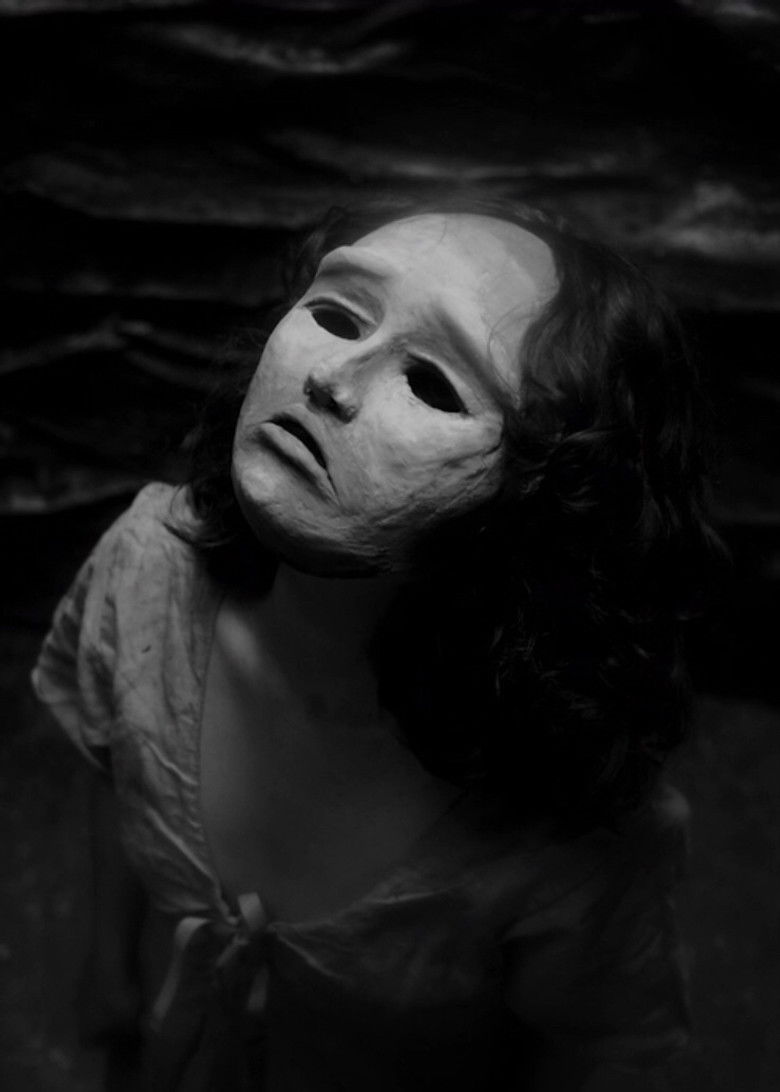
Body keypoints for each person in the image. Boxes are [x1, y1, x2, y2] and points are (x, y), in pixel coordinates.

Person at [32, 197, 721, 1091]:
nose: (331, 378)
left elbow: (598, 1050)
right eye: (338, 313)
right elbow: (111, 761)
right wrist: (110, 982)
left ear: (551, 500)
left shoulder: (574, 825)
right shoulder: (143, 569)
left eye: (432, 382)